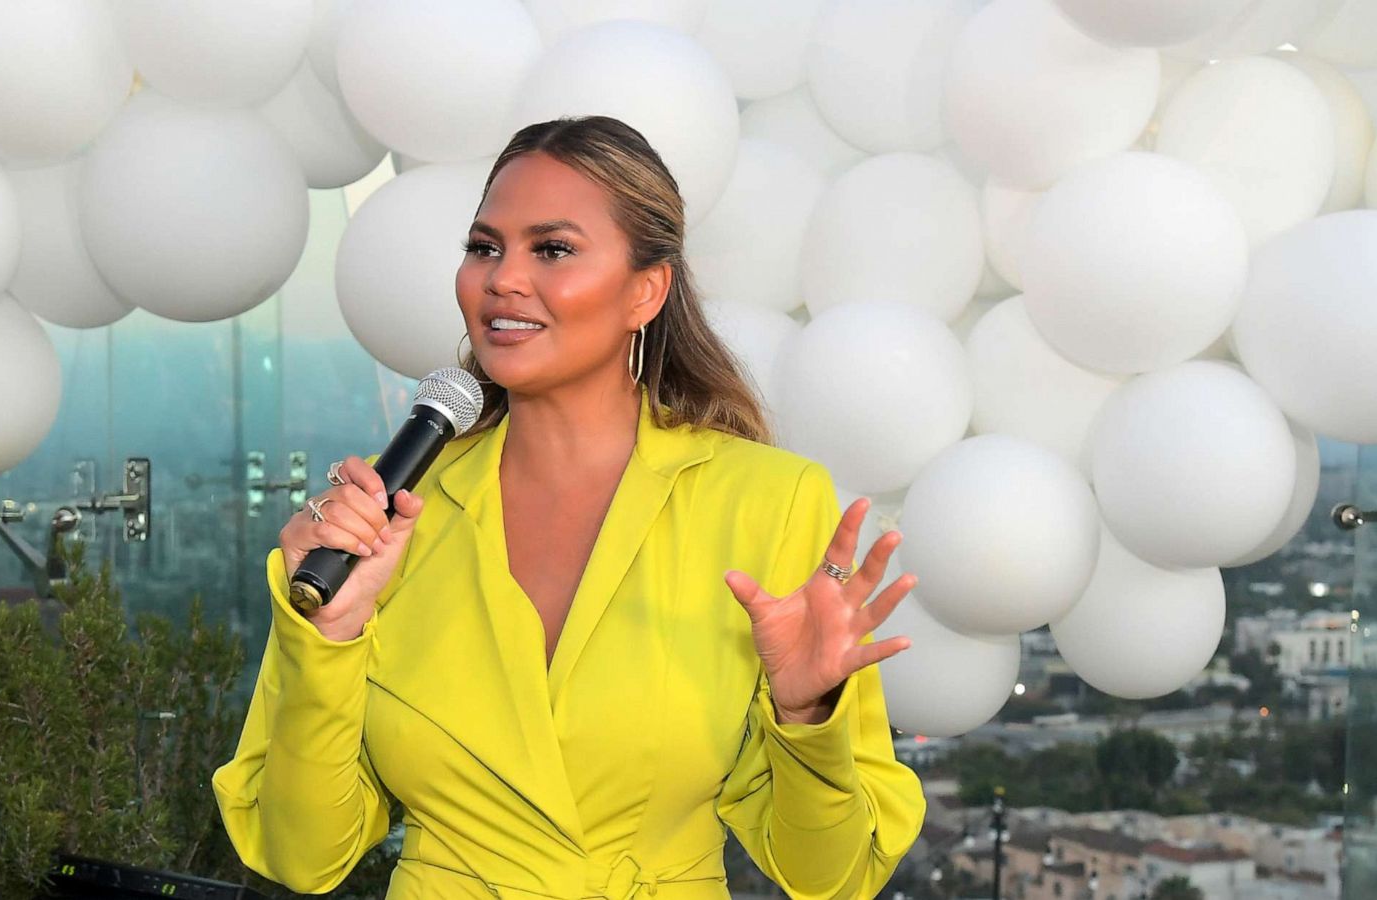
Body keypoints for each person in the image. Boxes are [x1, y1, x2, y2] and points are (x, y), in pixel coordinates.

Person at [212, 115, 926, 899]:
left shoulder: (769, 501)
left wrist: (806, 715)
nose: (502, 279)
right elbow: (300, 854)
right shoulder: (386, 521)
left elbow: (835, 876)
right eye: (485, 247)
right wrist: (329, 638)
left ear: (645, 291)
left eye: (551, 249)